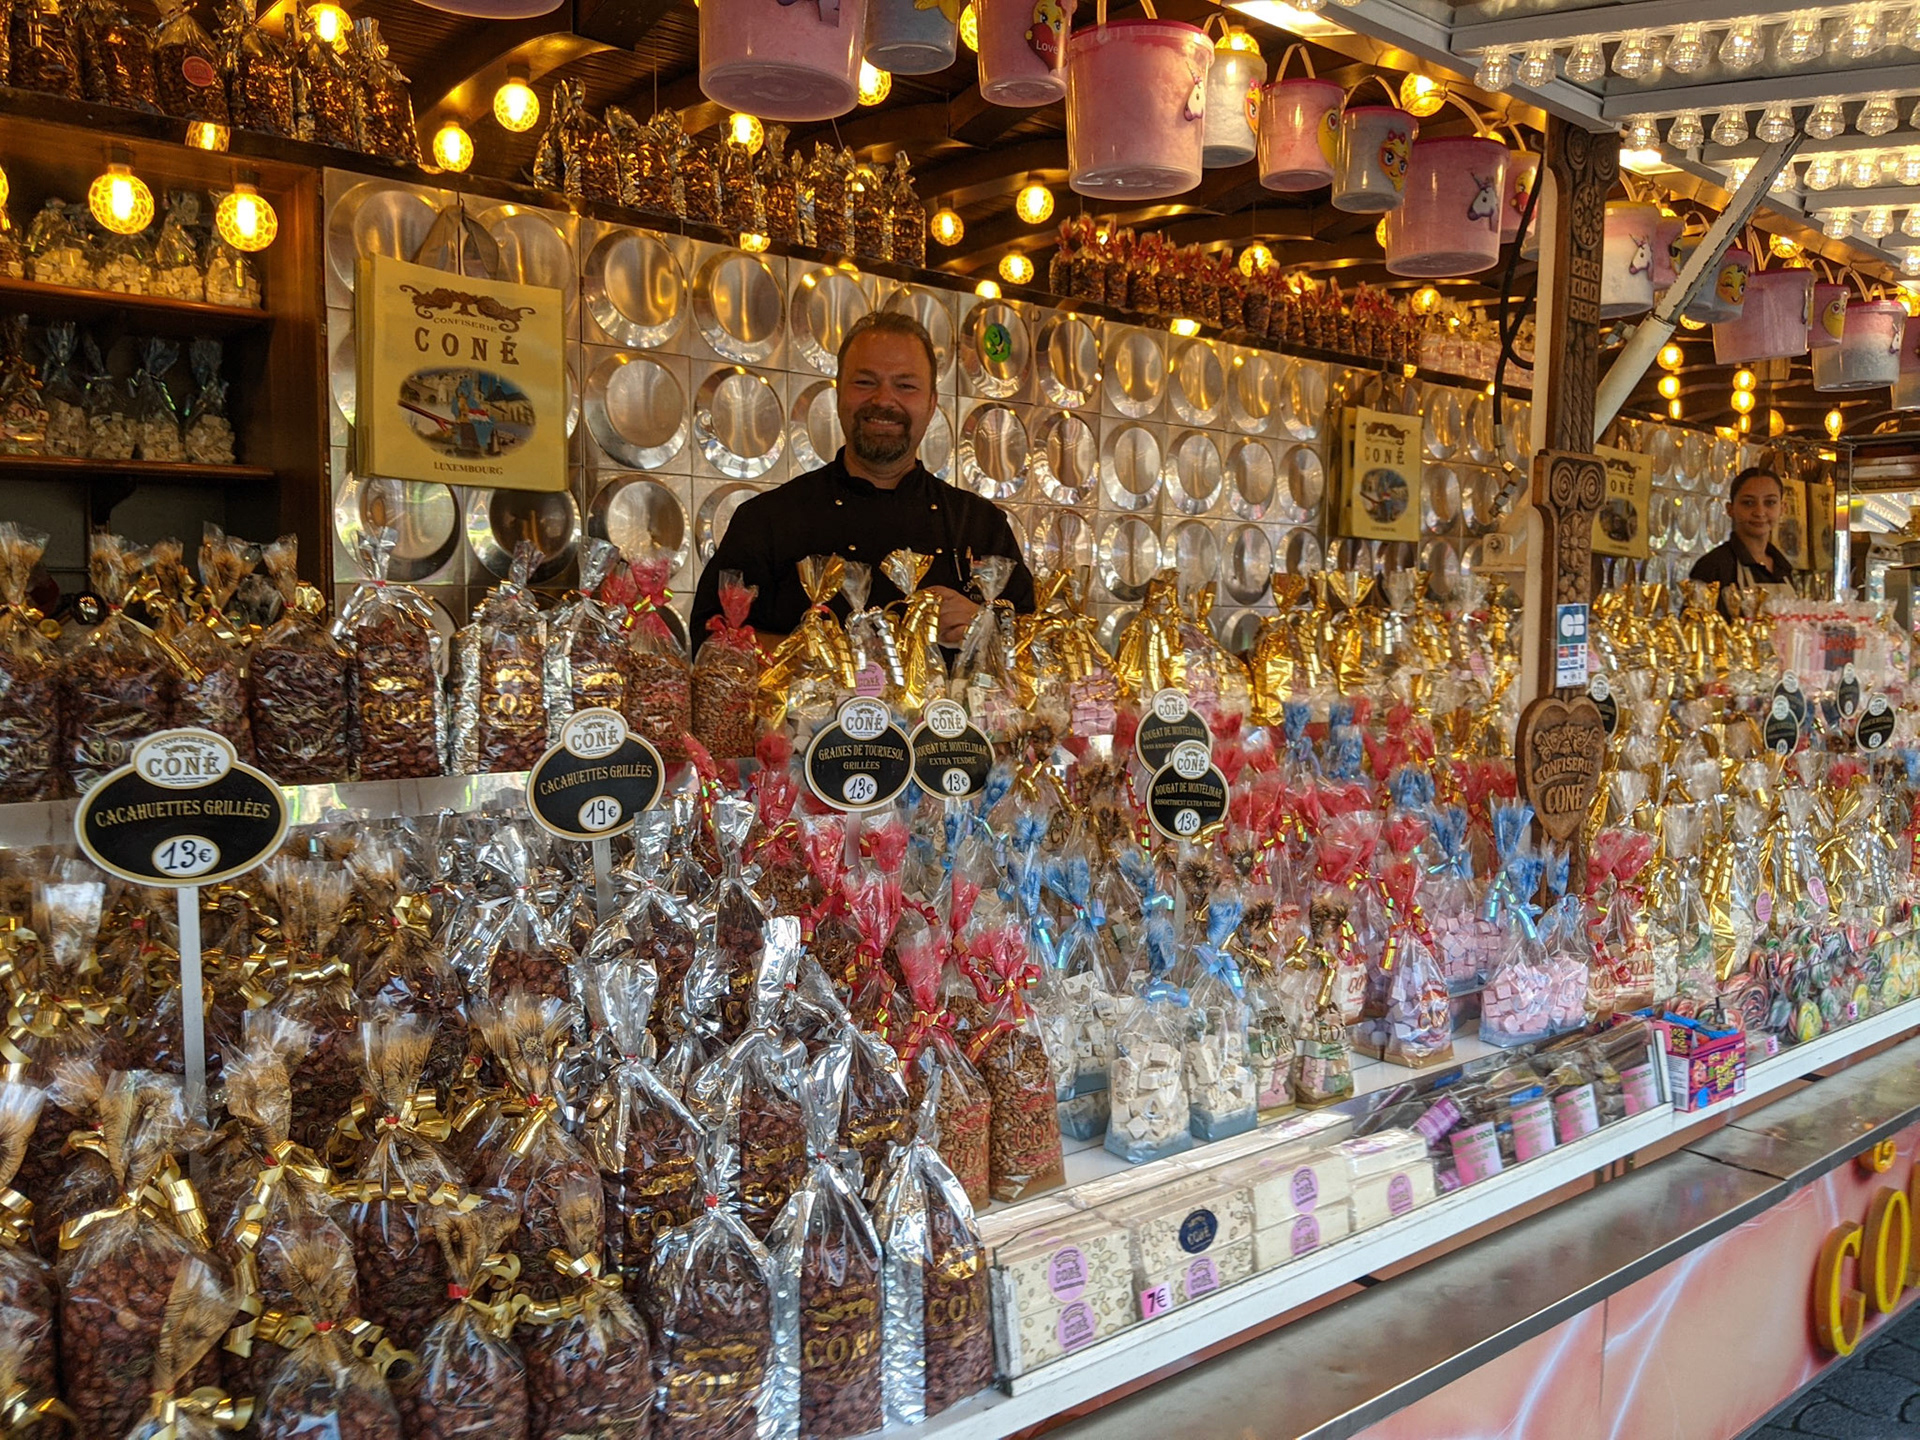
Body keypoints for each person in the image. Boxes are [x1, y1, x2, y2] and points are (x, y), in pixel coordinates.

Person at [688, 310, 1035, 648]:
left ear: (932, 405)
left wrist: (984, 624)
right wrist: (813, 662)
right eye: (865, 382)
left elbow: (1036, 646)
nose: (884, 400)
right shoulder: (767, 520)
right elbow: (712, 639)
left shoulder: (979, 524)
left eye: (906, 385)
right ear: (838, 393)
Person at [1689, 466, 1796, 599]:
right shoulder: (1714, 566)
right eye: (1748, 503)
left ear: (1783, 509)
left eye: (1770, 502)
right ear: (1730, 509)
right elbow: (1693, 617)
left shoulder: (1783, 567)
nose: (1759, 512)